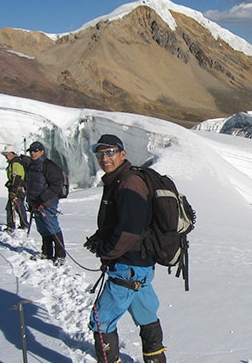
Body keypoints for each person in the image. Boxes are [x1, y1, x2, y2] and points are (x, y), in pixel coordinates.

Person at [84, 134, 167, 363]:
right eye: (100, 154)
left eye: (110, 152)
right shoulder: (120, 180)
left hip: (128, 265)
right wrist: (102, 239)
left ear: (123, 154)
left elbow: (129, 230)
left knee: (101, 320)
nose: (104, 158)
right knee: (146, 315)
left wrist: (107, 251)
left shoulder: (129, 182)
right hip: (137, 264)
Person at [25, 141, 66, 266]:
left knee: (52, 227)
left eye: (35, 150)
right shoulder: (32, 166)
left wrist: (42, 198)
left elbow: (56, 185)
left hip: (47, 203)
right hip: (35, 203)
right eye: (31, 151)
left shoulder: (49, 166)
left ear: (42, 151)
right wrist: (31, 200)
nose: (33, 153)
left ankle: (60, 255)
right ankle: (47, 252)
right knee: (42, 228)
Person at [1, 145, 29, 232]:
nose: (6, 155)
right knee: (16, 206)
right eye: (6, 154)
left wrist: (13, 191)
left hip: (18, 189)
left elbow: (18, 178)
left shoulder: (15, 163)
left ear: (12, 153)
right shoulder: (13, 162)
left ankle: (14, 225)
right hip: (17, 188)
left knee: (14, 206)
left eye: (8, 153)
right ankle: (22, 224)